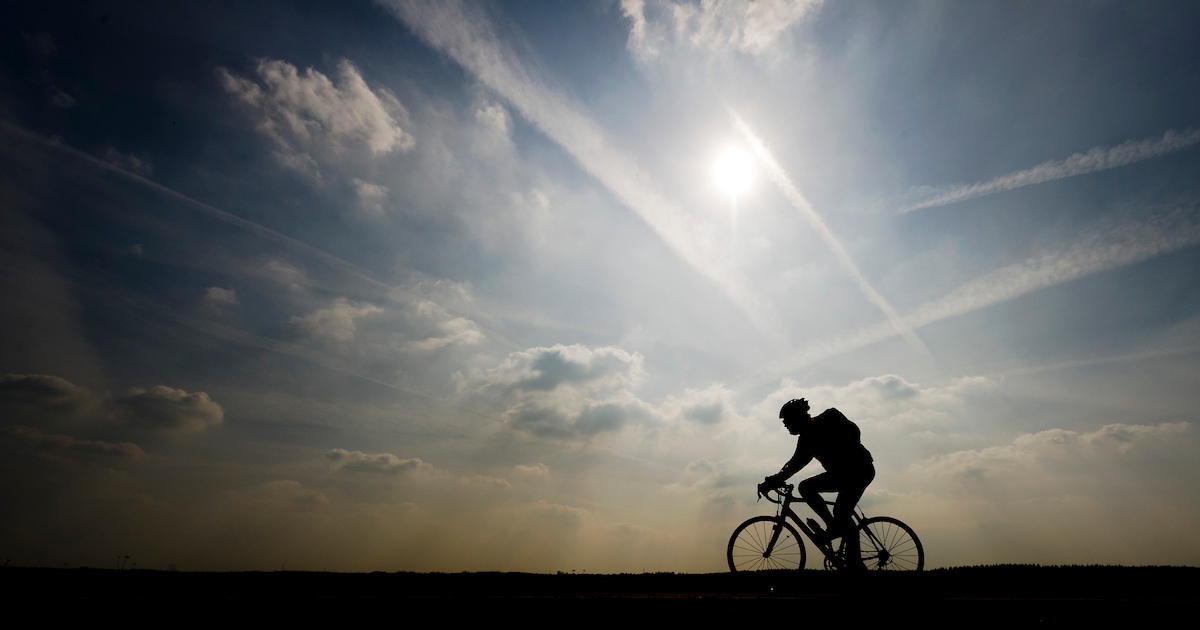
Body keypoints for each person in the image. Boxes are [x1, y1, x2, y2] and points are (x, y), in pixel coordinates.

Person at [759, 398, 875, 570]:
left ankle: (855, 563)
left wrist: (773, 481)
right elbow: (793, 464)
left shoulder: (823, 423)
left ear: (797, 418)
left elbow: (793, 465)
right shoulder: (809, 436)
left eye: (787, 421)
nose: (785, 425)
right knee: (813, 493)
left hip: (859, 471)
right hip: (847, 473)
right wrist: (775, 479)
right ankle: (835, 528)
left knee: (840, 512)